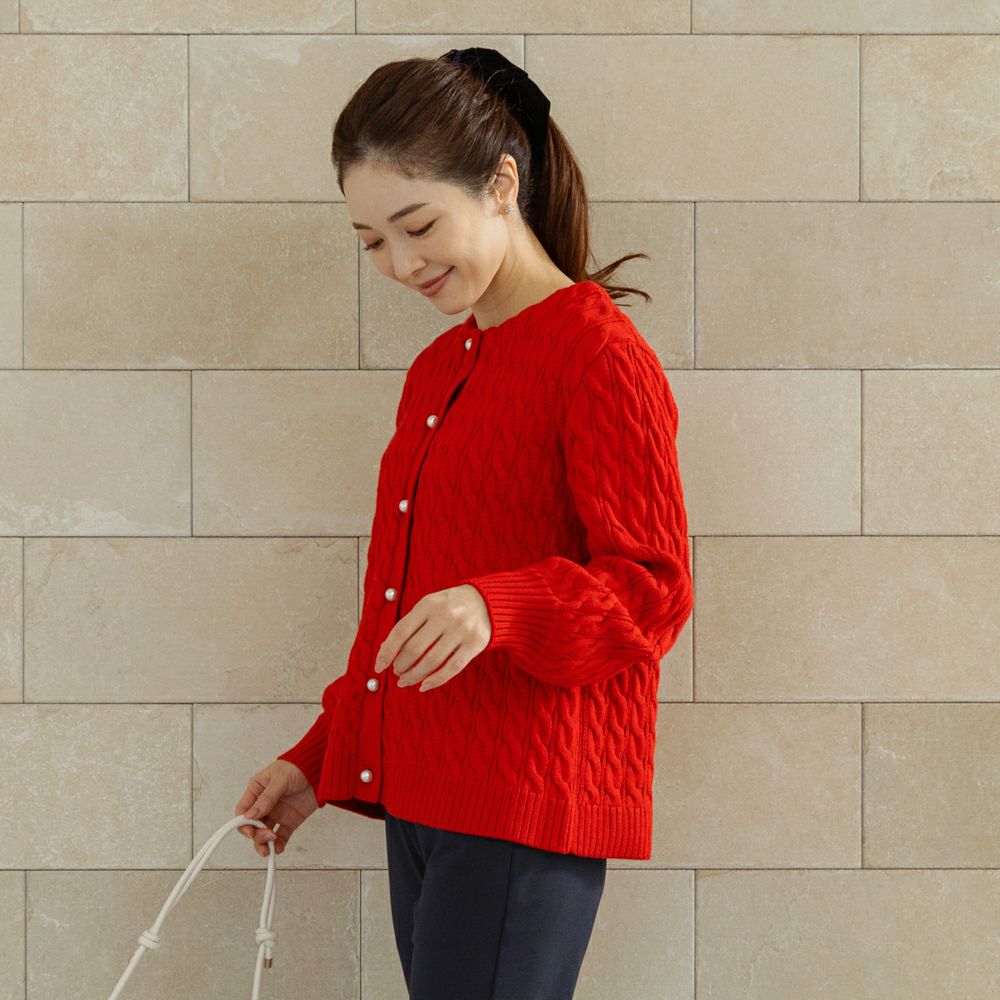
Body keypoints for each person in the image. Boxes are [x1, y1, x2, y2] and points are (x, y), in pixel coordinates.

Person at [235, 46, 694, 999]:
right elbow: (400, 606)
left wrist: (499, 606)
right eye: (371, 241)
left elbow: (653, 588)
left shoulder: (598, 356)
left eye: (418, 225)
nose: (401, 264)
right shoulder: (438, 372)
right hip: (423, 797)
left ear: (501, 184)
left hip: (521, 802)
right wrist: (320, 759)